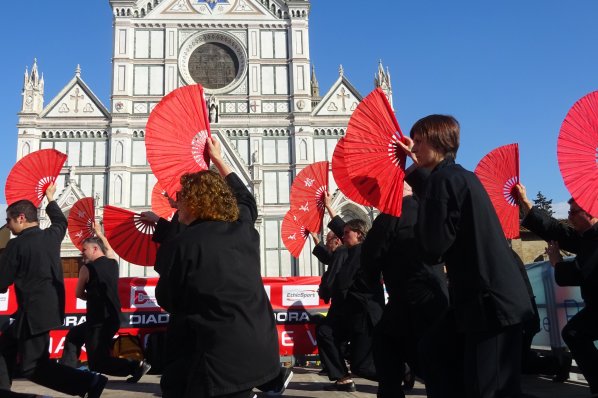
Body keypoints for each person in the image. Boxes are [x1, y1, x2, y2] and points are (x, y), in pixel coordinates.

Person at [400, 114, 533, 398]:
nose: (414, 148)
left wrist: (410, 222)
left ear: (435, 141)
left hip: (490, 304)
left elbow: (432, 248)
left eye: (419, 142)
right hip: (486, 299)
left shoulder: (443, 182)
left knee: (490, 389)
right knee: (434, 349)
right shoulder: (459, 176)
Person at [154, 137, 291, 398]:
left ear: (194, 202)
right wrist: (218, 159)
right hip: (260, 350)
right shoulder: (243, 229)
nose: (176, 200)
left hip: (218, 360)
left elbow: (168, 299)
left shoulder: (182, 244)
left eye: (181, 196)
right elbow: (247, 200)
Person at [0, 184, 107, 398]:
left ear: (21, 218)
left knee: (32, 367)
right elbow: (61, 220)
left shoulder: (17, 246)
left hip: (34, 314)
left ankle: (90, 382)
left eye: (9, 220)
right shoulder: (52, 235)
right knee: (5, 345)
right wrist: (50, 198)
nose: (7, 225)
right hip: (49, 310)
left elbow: (2, 281)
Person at [365, 185, 458, 398]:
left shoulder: (390, 217)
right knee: (436, 368)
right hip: (439, 301)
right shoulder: (432, 212)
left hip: (407, 303)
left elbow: (370, 263)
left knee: (385, 346)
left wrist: (375, 285)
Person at [516, 186, 598, 395]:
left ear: (590, 211)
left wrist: (557, 263)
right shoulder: (586, 235)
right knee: (574, 333)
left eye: (573, 212)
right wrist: (527, 204)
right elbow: (558, 231)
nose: (569, 217)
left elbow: (581, 272)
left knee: (575, 333)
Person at [59, 223, 151, 382]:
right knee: (74, 335)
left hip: (98, 321)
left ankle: (135, 366)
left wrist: (90, 297)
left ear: (95, 249)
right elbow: (108, 249)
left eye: (84, 250)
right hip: (111, 319)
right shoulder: (113, 263)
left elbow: (78, 293)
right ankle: (66, 373)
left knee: (97, 363)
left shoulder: (86, 269)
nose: (82, 254)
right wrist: (100, 234)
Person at [316, 193, 382, 391]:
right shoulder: (349, 248)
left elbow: (343, 282)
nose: (342, 236)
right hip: (348, 312)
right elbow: (340, 226)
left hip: (364, 315)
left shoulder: (367, 251)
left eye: (346, 233)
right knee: (325, 332)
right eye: (342, 233)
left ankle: (402, 370)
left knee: (362, 366)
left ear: (359, 235)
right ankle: (342, 377)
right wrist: (328, 206)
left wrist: (328, 288)